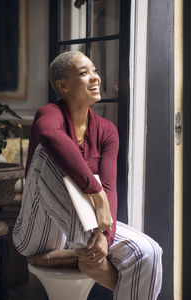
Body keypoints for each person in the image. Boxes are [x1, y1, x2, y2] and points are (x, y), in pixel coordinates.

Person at [12, 50, 162, 299]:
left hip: (83, 231)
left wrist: (106, 236)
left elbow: (111, 186)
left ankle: (93, 250)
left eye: (95, 71)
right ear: (64, 85)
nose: (95, 78)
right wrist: (96, 191)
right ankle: (93, 253)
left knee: (149, 252)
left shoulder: (106, 130)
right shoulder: (49, 114)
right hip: (36, 233)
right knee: (45, 154)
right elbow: (50, 136)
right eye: (84, 73)